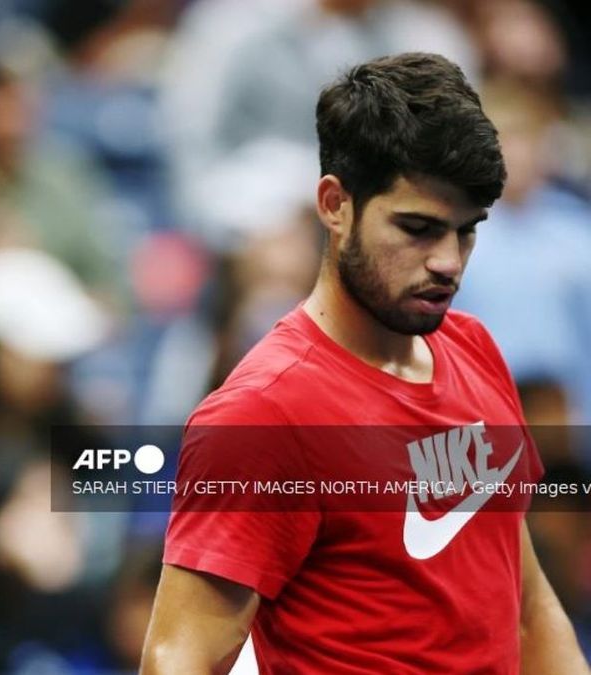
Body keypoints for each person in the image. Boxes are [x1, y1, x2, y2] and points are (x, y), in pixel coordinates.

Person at [141, 53, 589, 673]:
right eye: (418, 228)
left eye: (466, 231)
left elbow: (529, 606)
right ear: (335, 205)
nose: (449, 262)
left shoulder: (476, 349)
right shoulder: (263, 414)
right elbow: (177, 659)